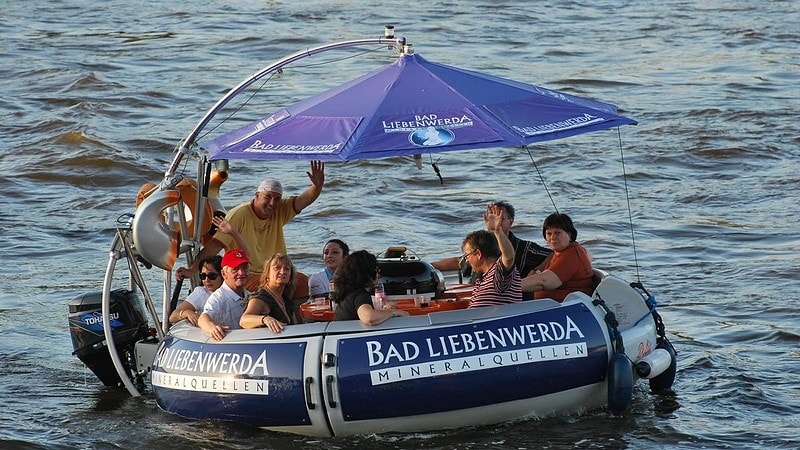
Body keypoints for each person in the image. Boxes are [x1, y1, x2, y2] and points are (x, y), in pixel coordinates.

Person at [175, 161, 325, 292]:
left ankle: (293, 315)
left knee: (302, 282)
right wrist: (192, 269)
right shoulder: (239, 214)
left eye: (277, 199)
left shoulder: (279, 209)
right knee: (271, 285)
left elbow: (304, 200)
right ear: (257, 195)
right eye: (267, 197)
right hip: (247, 274)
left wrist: (317, 186)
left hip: (275, 272)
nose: (272, 203)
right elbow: (214, 245)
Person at [432, 201, 552, 283]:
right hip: (476, 292)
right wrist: (430, 266)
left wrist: (537, 271)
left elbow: (554, 254)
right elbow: (461, 261)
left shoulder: (524, 248)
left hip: (505, 299)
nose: (496, 222)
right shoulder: (482, 244)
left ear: (511, 221)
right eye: (492, 218)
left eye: (500, 218)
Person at [521, 212, 594, 302]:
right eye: (549, 233)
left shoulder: (572, 255)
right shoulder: (564, 251)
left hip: (565, 307)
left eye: (557, 233)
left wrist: (512, 287)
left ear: (569, 234)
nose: (553, 237)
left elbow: (545, 281)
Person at [464, 203, 523, 308]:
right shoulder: (483, 277)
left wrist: (498, 231)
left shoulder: (498, 274)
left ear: (478, 254)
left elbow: (509, 257)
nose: (467, 261)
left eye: (467, 256)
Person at [331, 250, 410, 325]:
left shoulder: (348, 292)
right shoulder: (360, 295)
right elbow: (369, 317)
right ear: (367, 273)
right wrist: (394, 312)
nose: (378, 275)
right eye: (376, 270)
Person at [197, 249, 251, 341]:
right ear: (224, 274)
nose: (241, 273)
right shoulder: (219, 298)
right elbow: (203, 318)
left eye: (244, 268)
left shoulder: (250, 295)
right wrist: (213, 328)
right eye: (235, 269)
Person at [240, 253, 301, 333]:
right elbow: (243, 320)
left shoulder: (284, 297)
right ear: (267, 273)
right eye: (277, 268)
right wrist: (265, 319)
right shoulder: (260, 298)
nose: (282, 272)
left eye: (287, 269)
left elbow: (295, 326)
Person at [168, 255, 222, 325]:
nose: (207, 280)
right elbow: (173, 317)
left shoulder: (233, 290)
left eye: (212, 276)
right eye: (203, 276)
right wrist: (187, 313)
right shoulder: (201, 293)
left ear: (223, 274)